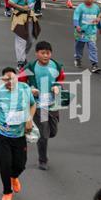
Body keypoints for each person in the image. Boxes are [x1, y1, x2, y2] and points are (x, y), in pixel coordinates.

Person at [0, 66, 35, 200]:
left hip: (19, 134)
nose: (9, 82)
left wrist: (29, 118)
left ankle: (14, 177)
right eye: (6, 79)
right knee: (5, 164)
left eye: (12, 79)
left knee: (20, 164)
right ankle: (7, 192)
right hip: (3, 133)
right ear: (2, 80)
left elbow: (33, 104)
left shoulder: (24, 89)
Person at [23, 41, 62, 170]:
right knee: (44, 134)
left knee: (53, 131)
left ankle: (38, 135)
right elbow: (20, 82)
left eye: (48, 53)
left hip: (52, 103)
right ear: (37, 53)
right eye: (42, 53)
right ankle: (42, 160)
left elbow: (60, 79)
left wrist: (57, 86)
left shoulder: (55, 65)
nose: (45, 56)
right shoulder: (31, 67)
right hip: (38, 105)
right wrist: (30, 89)